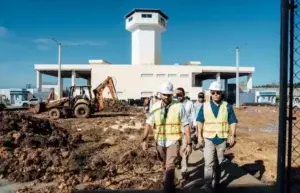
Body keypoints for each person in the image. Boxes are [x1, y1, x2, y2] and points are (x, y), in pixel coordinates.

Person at [141, 82, 192, 193]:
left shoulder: (179, 106)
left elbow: (186, 125)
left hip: (174, 141)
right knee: (164, 164)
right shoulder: (155, 107)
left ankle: (168, 188)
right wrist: (144, 140)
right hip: (159, 141)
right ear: (160, 94)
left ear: (171, 95)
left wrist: (189, 143)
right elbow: (148, 123)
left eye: (168, 95)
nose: (166, 97)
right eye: (164, 94)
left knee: (170, 165)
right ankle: (170, 182)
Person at [196, 81, 238, 191]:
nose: (215, 94)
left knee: (219, 164)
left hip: (221, 139)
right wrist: (199, 137)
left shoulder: (227, 106)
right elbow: (199, 122)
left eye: (218, 92)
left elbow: (233, 121)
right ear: (210, 93)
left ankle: (217, 183)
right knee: (209, 163)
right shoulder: (204, 106)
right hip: (208, 138)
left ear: (221, 93)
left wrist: (232, 136)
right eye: (213, 92)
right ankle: (207, 184)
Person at [175, 87, 195, 179]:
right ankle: (178, 160)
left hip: (186, 130)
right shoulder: (173, 104)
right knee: (177, 149)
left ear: (183, 94)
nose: (178, 96)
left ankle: (184, 169)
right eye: (177, 95)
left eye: (180, 94)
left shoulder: (190, 104)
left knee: (185, 149)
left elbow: (193, 115)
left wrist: (194, 125)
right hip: (175, 130)